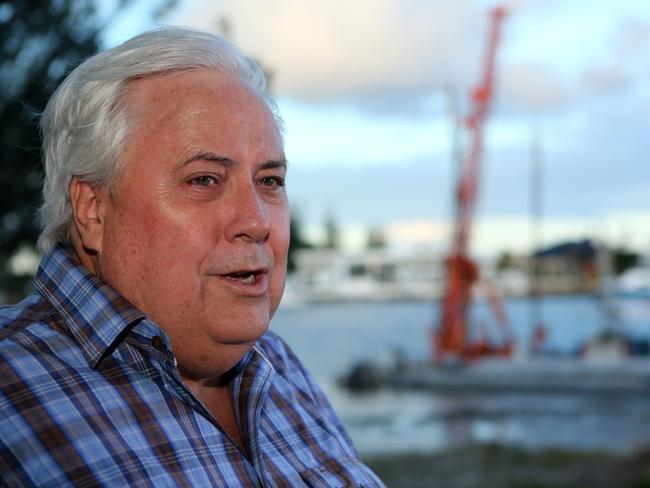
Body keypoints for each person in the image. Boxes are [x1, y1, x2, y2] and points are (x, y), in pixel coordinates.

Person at [0, 27, 384, 487]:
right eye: (204, 180)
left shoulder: (277, 365)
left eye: (270, 181)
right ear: (92, 209)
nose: (256, 220)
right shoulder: (11, 391)